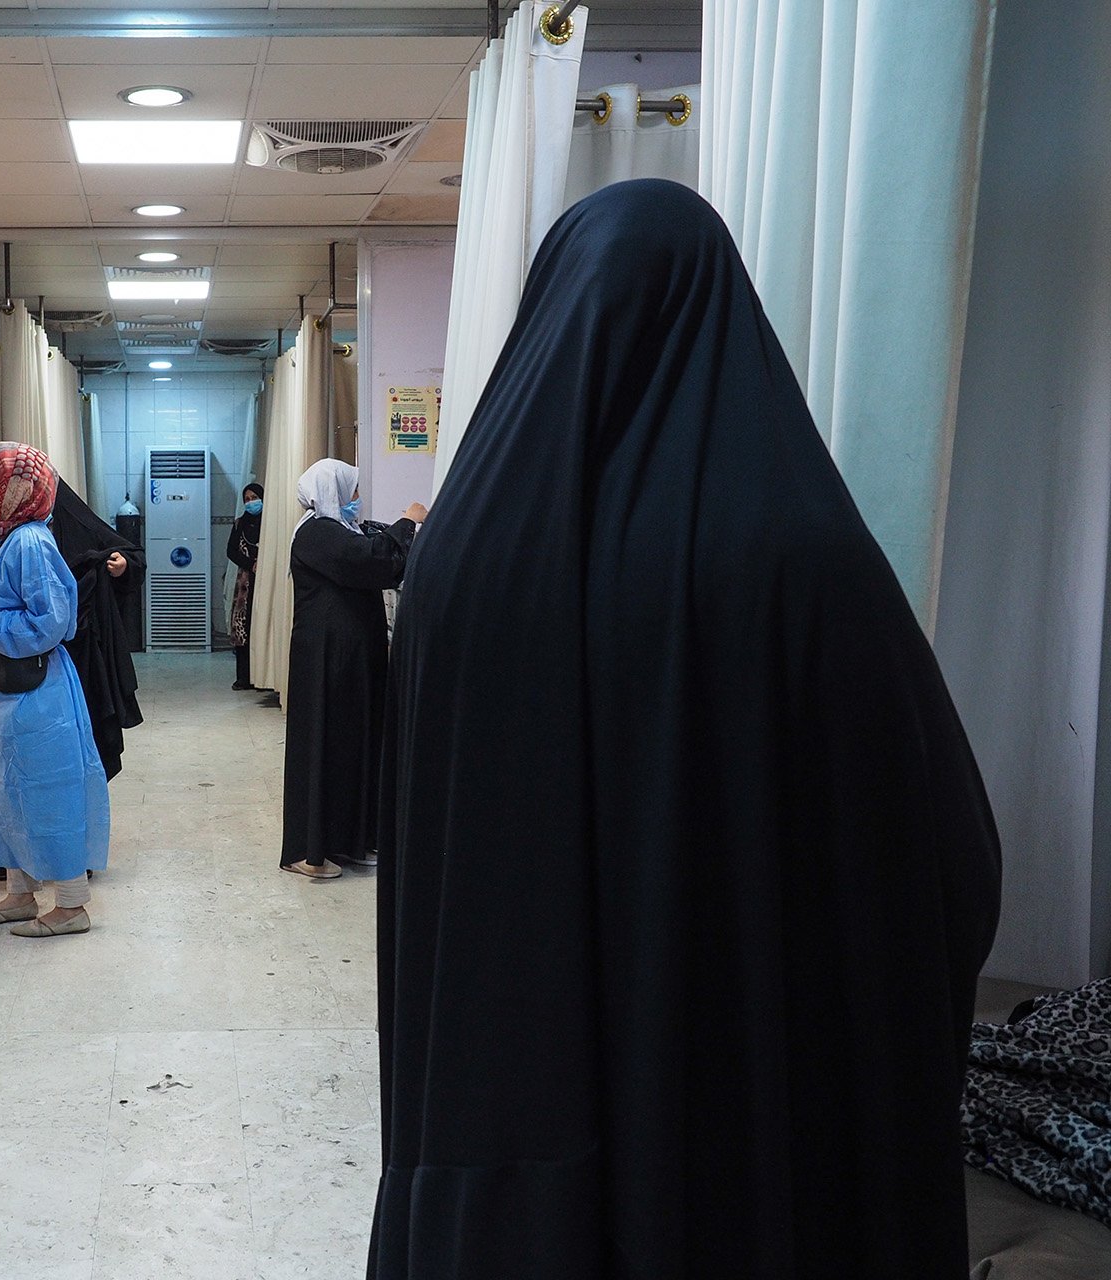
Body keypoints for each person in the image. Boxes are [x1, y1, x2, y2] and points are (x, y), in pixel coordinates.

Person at [371, 181, 1001, 1278]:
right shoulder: (805, 560)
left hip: (500, 1100)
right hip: (744, 1095)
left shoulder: (458, 567)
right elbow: (945, 847)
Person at [0, 442, 111, 937]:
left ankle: (72, 905)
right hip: (3, 691)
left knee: (47, 793)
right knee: (3, 795)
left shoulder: (31, 543)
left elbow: (51, 621)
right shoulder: (1, 540)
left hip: (37, 693)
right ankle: (19, 895)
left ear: (16, 487)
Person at [279, 459, 425, 879]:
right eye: (351, 490)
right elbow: (372, 561)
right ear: (334, 491)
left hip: (352, 657)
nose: (356, 499)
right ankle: (310, 853)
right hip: (325, 657)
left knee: (357, 742)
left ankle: (351, 840)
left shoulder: (344, 531)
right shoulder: (316, 533)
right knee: (323, 744)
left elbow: (382, 560)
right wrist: (407, 521)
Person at [50, 478, 146, 780]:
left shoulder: (69, 521)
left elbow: (131, 553)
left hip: (78, 651)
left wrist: (124, 564)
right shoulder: (16, 536)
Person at [227, 482, 264, 690]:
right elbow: (231, 551)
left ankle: (264, 676)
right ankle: (244, 677)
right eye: (247, 499)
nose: (251, 502)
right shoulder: (239, 524)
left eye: (254, 498)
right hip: (245, 583)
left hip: (266, 580)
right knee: (243, 627)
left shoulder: (269, 522)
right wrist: (251, 564)